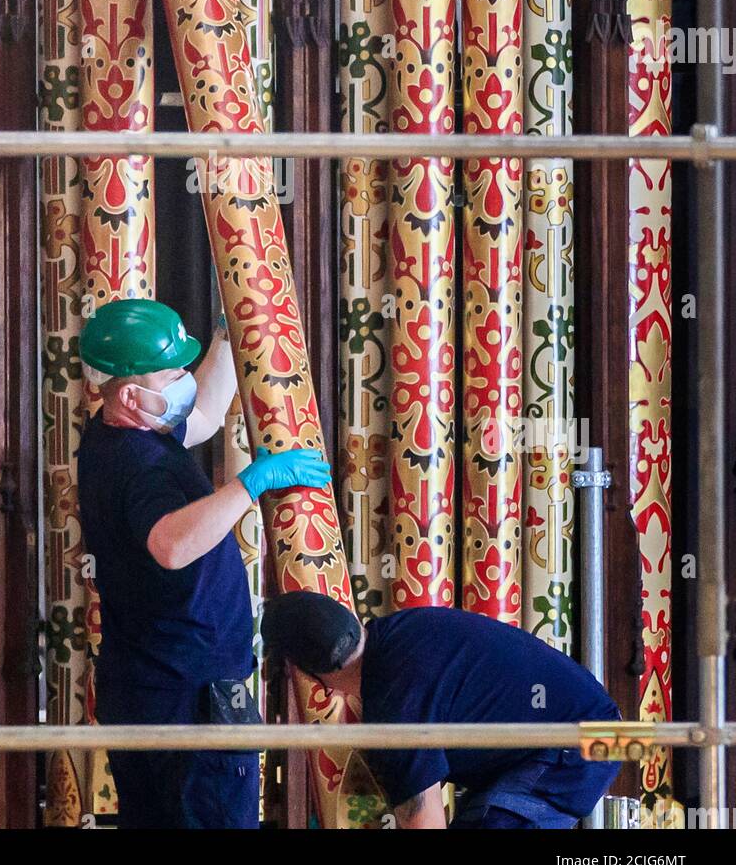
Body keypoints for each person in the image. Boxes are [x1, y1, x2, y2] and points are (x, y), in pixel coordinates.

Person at [78, 298, 332, 829]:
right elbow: (171, 545)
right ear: (130, 392)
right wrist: (252, 483)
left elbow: (207, 414)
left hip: (149, 687)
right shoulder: (139, 465)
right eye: (172, 374)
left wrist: (224, 335)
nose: (183, 382)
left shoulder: (116, 431)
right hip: (186, 697)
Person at [261, 592, 623, 829]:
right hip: (594, 733)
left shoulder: (393, 705)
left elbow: (424, 823)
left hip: (580, 744)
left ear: (308, 676)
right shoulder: (400, 630)